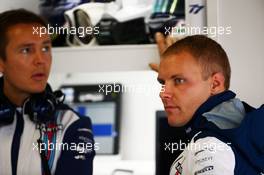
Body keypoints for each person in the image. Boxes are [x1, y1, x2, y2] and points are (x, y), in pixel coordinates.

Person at [0, 9, 95, 175]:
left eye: (45, 48)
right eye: (26, 50)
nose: (40, 60)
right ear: (1, 62)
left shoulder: (72, 125)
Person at [155, 34, 261, 174]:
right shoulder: (238, 130)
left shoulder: (209, 147)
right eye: (163, 83)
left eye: (179, 80)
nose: (163, 93)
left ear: (215, 84)